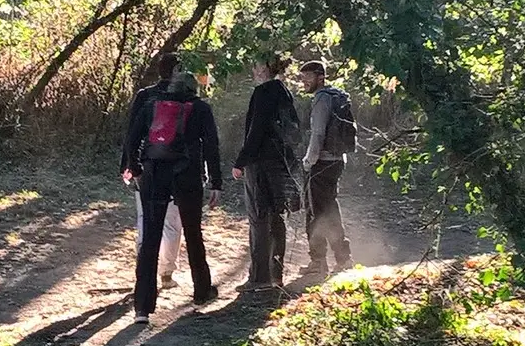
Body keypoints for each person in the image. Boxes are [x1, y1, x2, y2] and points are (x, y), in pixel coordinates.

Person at [124, 68, 222, 324]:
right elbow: (211, 146)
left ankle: (142, 307)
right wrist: (216, 182)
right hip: (188, 174)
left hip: (154, 173)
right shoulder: (201, 109)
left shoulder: (152, 105)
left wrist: (135, 169)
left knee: (150, 237)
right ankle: (202, 291)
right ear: (194, 88)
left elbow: (131, 140)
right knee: (192, 233)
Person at [232, 54, 299, 290]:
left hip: (260, 163)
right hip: (281, 162)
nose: (253, 70)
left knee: (259, 217)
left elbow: (256, 130)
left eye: (255, 66)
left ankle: (260, 277)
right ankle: (276, 274)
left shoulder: (262, 93)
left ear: (263, 69)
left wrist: (241, 161)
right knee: (277, 216)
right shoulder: (285, 92)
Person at [121, 54, 185, 288]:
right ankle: (167, 273)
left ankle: (143, 269)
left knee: (144, 219)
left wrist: (128, 164)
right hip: (177, 167)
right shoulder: (185, 97)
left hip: (146, 166)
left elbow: (131, 134)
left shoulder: (145, 95)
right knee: (172, 222)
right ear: (178, 71)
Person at [298, 59, 353, 280]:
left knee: (316, 212)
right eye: (302, 78)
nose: (304, 82)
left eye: (308, 78)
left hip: (321, 163)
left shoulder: (322, 99)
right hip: (337, 160)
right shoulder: (338, 95)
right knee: (330, 209)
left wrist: (309, 160)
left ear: (321, 77)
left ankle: (318, 262)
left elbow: (318, 133)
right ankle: (343, 258)